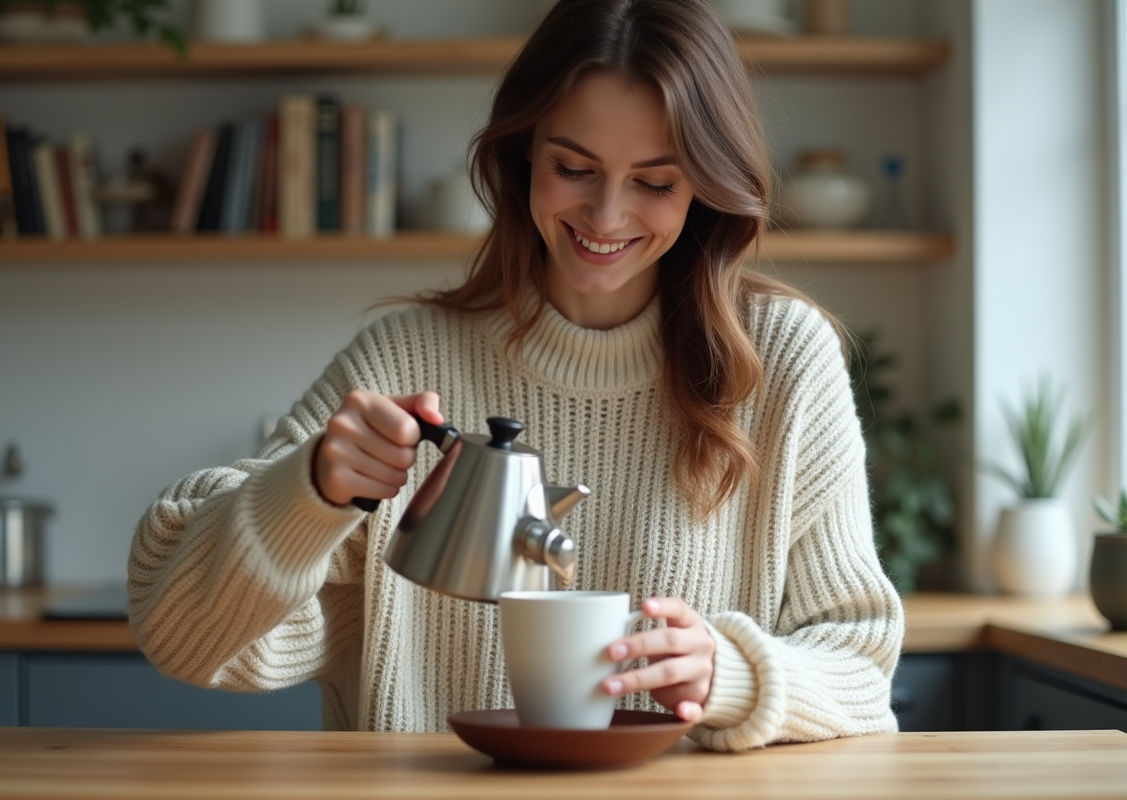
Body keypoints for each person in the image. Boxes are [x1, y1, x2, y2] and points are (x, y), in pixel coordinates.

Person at [128, 0, 904, 752]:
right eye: (574, 167)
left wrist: (729, 675)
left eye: (655, 182)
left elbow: (863, 671)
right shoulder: (403, 360)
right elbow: (179, 635)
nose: (606, 216)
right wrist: (309, 493)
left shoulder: (779, 362)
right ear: (523, 151)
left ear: (705, 184)